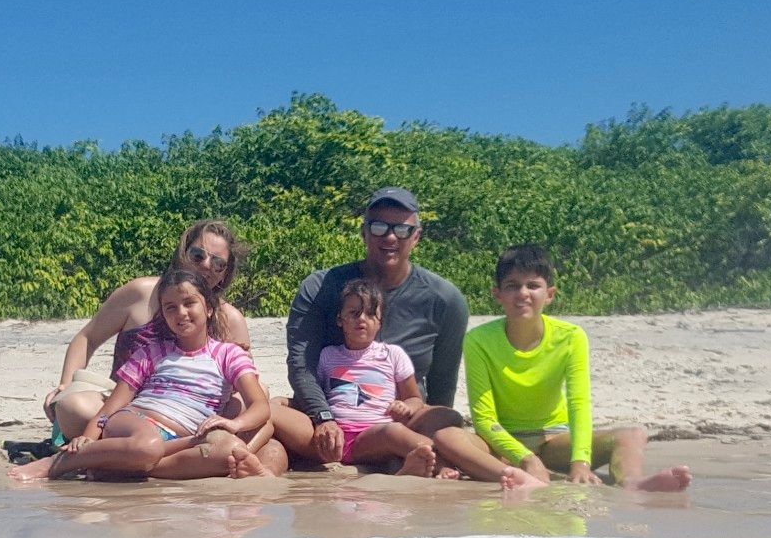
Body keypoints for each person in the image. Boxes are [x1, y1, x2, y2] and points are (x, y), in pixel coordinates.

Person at [40, 219, 286, 475]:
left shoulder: (230, 319)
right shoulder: (140, 293)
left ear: (226, 272)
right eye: (198, 255)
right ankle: (177, 458)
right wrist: (66, 383)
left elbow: (244, 385)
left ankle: (130, 461)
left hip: (190, 414)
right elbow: (86, 338)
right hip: (125, 406)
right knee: (74, 406)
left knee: (263, 407)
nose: (206, 265)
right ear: (183, 253)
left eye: (218, 263)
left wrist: (230, 422)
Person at [451, 244, 693, 492]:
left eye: (533, 286)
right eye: (512, 286)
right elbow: (484, 420)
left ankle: (632, 482)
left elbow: (579, 402)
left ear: (550, 294)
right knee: (448, 437)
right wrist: (527, 458)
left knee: (632, 435)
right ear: (497, 294)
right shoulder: (478, 340)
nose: (522, 293)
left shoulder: (571, 337)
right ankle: (518, 473)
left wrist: (580, 461)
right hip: (501, 445)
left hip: (554, 440)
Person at [275, 187, 470, 467]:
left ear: (416, 236)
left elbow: (442, 388)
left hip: (397, 424)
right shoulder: (319, 288)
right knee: (273, 407)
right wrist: (324, 417)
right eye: (378, 227)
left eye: (402, 229)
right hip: (328, 421)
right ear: (364, 233)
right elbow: (301, 366)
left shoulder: (447, 301)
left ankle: (441, 461)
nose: (390, 237)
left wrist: (419, 417)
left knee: (447, 417)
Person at [280, 278, 441, 477]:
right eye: (354, 313)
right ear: (340, 319)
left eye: (371, 313)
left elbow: (415, 398)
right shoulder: (328, 355)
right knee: (271, 408)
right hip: (329, 438)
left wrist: (406, 407)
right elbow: (317, 395)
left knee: (393, 432)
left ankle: (443, 463)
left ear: (380, 322)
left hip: (371, 436)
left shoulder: (392, 355)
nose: (362, 319)